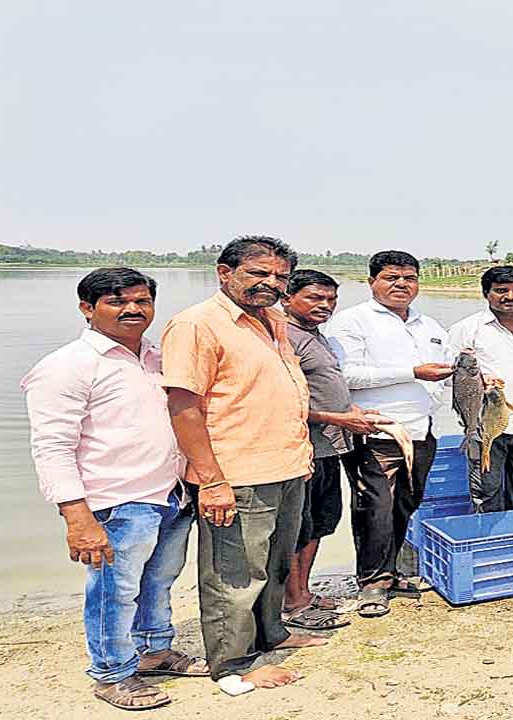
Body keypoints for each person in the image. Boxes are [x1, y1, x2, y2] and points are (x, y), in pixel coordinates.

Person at [21, 268, 207, 711]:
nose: (132, 310)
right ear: (87, 309)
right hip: (115, 502)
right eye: (116, 301)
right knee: (113, 590)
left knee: (159, 581)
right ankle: (110, 672)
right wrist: (76, 516)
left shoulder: (156, 358)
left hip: (169, 494)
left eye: (142, 301)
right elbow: (51, 446)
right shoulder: (66, 366)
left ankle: (155, 651)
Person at [162, 236, 325, 692]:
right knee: (234, 574)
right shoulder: (197, 325)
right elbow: (184, 406)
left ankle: (273, 632)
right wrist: (211, 481)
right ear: (224, 271)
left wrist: (302, 453)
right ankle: (232, 664)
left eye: (279, 276)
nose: (270, 284)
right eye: (258, 273)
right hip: (237, 473)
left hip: (287, 465)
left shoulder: (273, 320)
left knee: (275, 563)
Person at [326, 251, 452, 617]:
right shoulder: (353, 322)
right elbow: (346, 375)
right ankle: (371, 582)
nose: (401, 284)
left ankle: (391, 572)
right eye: (391, 277)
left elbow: (442, 371)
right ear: (372, 282)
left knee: (406, 503)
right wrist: (413, 371)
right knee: (374, 507)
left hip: (423, 429)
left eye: (409, 278)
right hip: (375, 430)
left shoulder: (429, 325)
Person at [280, 269, 390, 630]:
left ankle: (304, 593)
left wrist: (350, 413)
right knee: (298, 526)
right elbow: (279, 402)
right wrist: (339, 418)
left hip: (330, 445)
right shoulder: (282, 337)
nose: (324, 305)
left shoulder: (316, 336)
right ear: (287, 297)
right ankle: (292, 602)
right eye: (314, 298)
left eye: (330, 299)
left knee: (321, 523)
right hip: (303, 448)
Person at [448, 265, 513, 513]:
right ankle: (490, 546)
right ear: (486, 293)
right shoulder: (466, 329)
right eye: (501, 290)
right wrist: (478, 381)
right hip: (486, 428)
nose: (510, 296)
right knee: (486, 493)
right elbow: (446, 378)